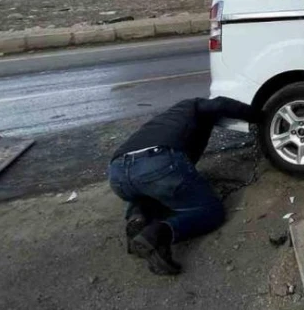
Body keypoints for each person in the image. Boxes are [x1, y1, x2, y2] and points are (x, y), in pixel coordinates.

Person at [108, 96, 256, 275]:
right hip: (157, 163)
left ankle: (138, 217)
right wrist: (260, 116)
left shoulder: (165, 120)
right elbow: (220, 104)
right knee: (211, 211)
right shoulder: (193, 105)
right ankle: (158, 234)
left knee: (152, 190)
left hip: (117, 173)